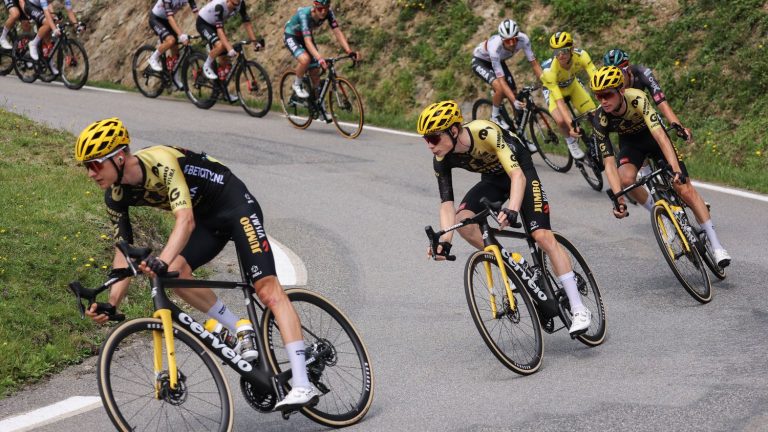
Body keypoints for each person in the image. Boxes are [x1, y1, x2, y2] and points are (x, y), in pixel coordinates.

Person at [75, 118, 320, 411]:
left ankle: (304, 384)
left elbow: (185, 220)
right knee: (177, 272)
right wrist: (112, 303)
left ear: (118, 157)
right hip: (207, 220)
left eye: (94, 164)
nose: (90, 173)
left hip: (235, 206)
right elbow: (122, 255)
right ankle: (239, 326)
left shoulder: (161, 161)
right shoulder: (116, 195)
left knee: (266, 290)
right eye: (86, 167)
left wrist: (160, 261)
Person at [418, 100, 592, 334]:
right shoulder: (442, 159)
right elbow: (446, 204)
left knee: (541, 235)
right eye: (425, 139)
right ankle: (511, 260)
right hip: (492, 181)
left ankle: (579, 308)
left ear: (454, 130)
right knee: (464, 221)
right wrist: (444, 241)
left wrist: (512, 208)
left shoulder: (484, 132)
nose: (429, 145)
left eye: (434, 138)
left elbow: (517, 176)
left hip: (520, 172)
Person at [588, 66, 731, 267]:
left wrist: (676, 170)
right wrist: (619, 198)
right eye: (598, 95)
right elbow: (609, 163)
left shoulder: (637, 98)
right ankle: (661, 216)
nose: (603, 100)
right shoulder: (600, 118)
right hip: (631, 144)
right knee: (626, 180)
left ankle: (716, 246)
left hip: (653, 138)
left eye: (607, 94)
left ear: (621, 90)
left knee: (684, 189)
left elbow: (661, 136)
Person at [284, 0, 359, 121]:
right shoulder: (305, 15)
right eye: (320, 9)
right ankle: (296, 84)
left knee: (315, 74)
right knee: (305, 60)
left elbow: (337, 32)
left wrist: (349, 51)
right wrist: (319, 58)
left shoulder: (328, 13)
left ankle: (321, 110)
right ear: (314, 7)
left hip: (305, 36)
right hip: (292, 35)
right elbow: (308, 42)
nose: (323, 12)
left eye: (326, 8)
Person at [471, 18, 542, 144]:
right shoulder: (495, 47)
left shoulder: (523, 39)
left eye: (514, 39)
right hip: (481, 62)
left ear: (517, 36)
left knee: (513, 93)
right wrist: (514, 102)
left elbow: (534, 63)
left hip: (499, 61)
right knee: (500, 87)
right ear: (502, 39)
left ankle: (521, 136)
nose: (511, 44)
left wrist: (544, 81)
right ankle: (495, 117)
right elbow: (502, 80)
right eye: (507, 41)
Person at [539, 31, 597, 160]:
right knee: (561, 120)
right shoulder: (550, 71)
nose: (560, 55)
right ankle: (571, 143)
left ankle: (597, 140)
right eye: (556, 52)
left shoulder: (581, 56)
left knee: (593, 115)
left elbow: (596, 79)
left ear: (571, 49)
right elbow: (560, 102)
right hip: (553, 90)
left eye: (564, 51)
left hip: (572, 85)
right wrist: (571, 127)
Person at [195, 0, 260, 101]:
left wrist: (255, 41)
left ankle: (223, 91)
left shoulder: (240, 3)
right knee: (221, 46)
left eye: (236, 5)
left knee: (224, 60)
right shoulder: (219, 6)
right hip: (204, 23)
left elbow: (247, 23)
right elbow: (220, 31)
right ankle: (206, 66)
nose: (233, 7)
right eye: (232, 4)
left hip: (216, 24)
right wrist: (229, 48)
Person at [146, 0, 199, 88]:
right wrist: (181, 35)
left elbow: (196, 13)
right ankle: (153, 58)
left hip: (167, 20)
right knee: (171, 40)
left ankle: (174, 78)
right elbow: (170, 17)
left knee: (175, 51)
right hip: (156, 19)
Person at [22, 0, 84, 74]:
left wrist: (76, 25)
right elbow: (47, 13)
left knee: (48, 34)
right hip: (31, 5)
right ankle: (33, 43)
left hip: (42, 7)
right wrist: (54, 29)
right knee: (48, 24)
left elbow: (69, 11)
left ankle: (49, 62)